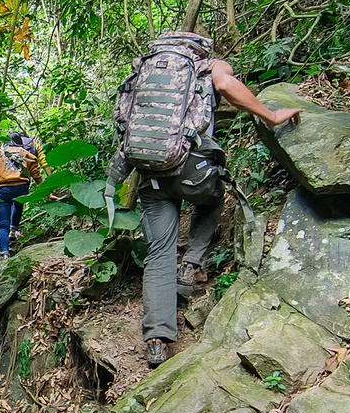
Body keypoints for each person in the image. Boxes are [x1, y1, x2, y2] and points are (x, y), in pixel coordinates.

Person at [107, 36, 300, 367]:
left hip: (150, 175)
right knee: (212, 199)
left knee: (158, 253)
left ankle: (157, 339)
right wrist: (271, 116)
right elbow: (226, 85)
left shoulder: (142, 71)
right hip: (192, 173)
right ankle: (192, 265)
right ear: (199, 48)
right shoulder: (207, 66)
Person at [0, 131, 42, 258]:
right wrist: (45, 188)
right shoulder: (25, 153)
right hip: (21, 186)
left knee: (3, 224)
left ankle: (4, 252)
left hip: (3, 189)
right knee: (18, 204)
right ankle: (14, 229)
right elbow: (35, 172)